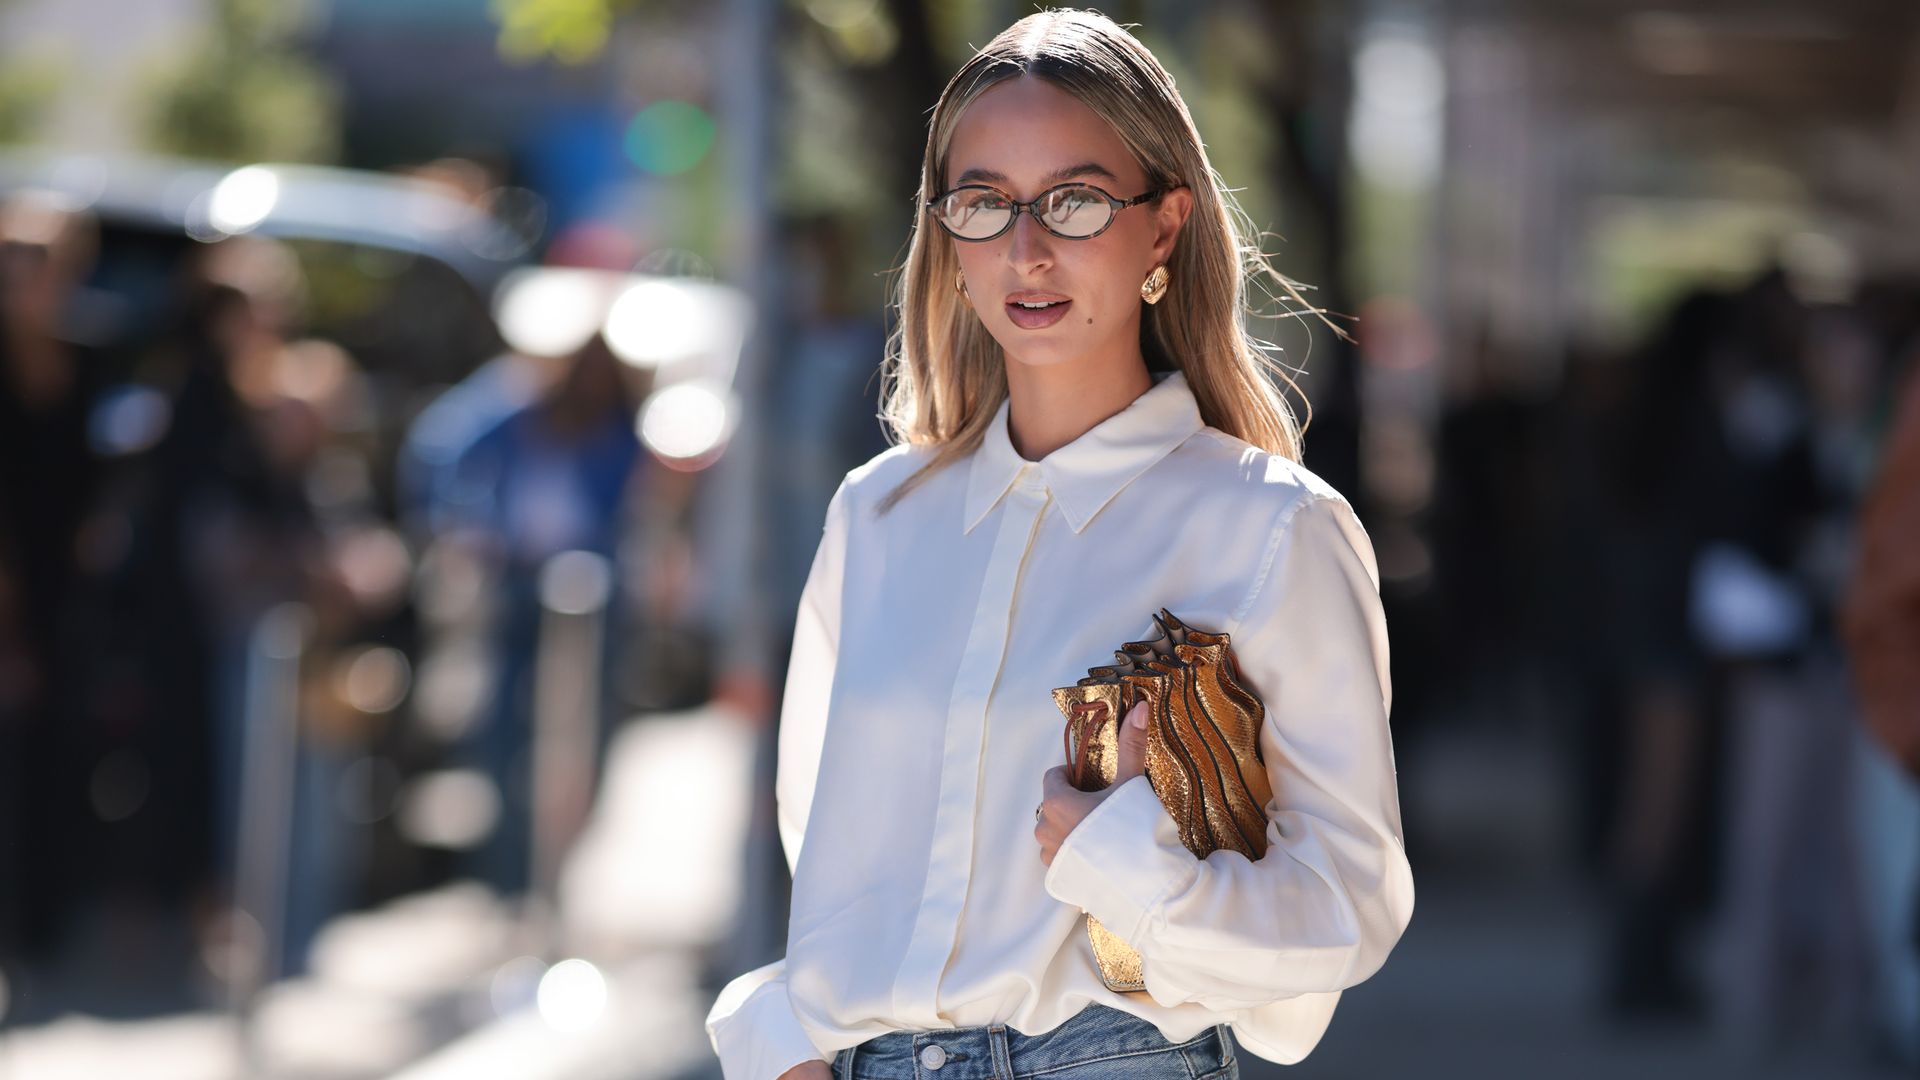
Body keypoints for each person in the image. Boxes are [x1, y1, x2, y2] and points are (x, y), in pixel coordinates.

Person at [704, 10, 1414, 1079]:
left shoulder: (1272, 528)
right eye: (984, 203)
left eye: (1074, 201)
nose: (1027, 251)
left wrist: (1126, 867)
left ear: (1163, 229)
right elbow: (830, 850)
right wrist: (785, 1038)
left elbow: (1351, 905)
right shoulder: (879, 514)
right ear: (945, 232)